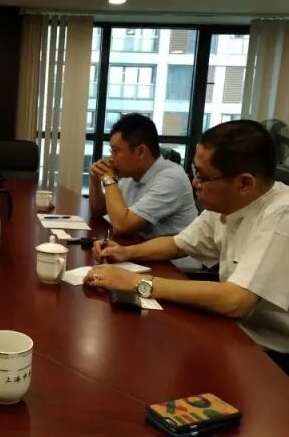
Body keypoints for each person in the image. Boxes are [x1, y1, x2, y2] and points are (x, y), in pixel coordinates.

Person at [86, 120, 289, 375]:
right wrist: (126, 252)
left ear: (244, 184)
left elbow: (235, 300)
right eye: (195, 171)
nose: (194, 183)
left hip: (273, 354)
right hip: (235, 331)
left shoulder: (282, 215)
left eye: (202, 176)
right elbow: (177, 244)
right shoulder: (226, 204)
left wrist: (137, 282)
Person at [89, 113, 197, 239]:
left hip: (167, 252)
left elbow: (122, 226)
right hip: (138, 246)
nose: (111, 159)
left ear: (140, 151)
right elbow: (98, 211)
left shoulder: (171, 179)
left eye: (115, 151)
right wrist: (95, 181)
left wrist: (109, 179)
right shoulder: (131, 174)